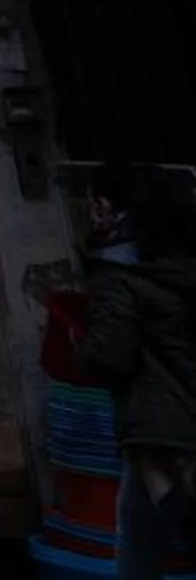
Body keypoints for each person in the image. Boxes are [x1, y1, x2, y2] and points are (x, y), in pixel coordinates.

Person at [83, 170, 196, 579]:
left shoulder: (120, 276)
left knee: (138, 545)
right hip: (175, 431)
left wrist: (81, 349)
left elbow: (109, 356)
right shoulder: (183, 270)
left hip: (163, 438)